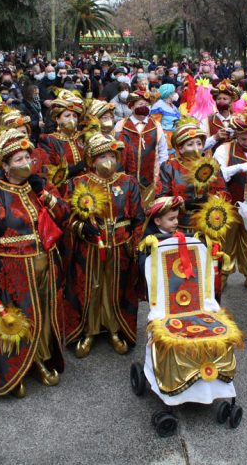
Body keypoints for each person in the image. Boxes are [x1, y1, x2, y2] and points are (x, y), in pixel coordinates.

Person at [0, 129, 69, 396]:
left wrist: (46, 194)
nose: (26, 163)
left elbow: (64, 215)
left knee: (44, 315)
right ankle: (15, 370)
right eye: (18, 159)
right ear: (4, 165)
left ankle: (39, 360)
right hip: (12, 271)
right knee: (18, 319)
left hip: (45, 263)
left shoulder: (40, 185)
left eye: (28, 157)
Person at [64, 133, 144, 358]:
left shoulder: (128, 182)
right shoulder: (79, 183)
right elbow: (66, 218)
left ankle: (115, 330)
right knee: (92, 287)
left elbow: (139, 217)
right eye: (102, 156)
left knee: (116, 288)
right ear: (91, 160)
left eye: (112, 155)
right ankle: (89, 332)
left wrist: (136, 246)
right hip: (90, 249)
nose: (108, 160)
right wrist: (81, 228)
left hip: (121, 247)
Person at [214, 115, 247, 294]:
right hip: (231, 202)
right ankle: (224, 273)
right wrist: (237, 168)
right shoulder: (224, 149)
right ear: (236, 136)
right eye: (243, 138)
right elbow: (217, 174)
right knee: (227, 239)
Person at [157, 118, 226, 233]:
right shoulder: (169, 167)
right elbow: (162, 198)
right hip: (179, 227)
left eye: (199, 144)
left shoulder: (212, 164)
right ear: (180, 148)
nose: (196, 149)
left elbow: (224, 192)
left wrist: (212, 199)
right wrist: (183, 203)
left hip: (209, 225)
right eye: (190, 144)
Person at [114, 89, 167, 207]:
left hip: (151, 179)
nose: (144, 106)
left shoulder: (156, 125)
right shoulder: (121, 125)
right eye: (140, 104)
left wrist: (162, 174)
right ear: (132, 107)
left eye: (146, 104)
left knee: (148, 209)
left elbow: (163, 151)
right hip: (127, 178)